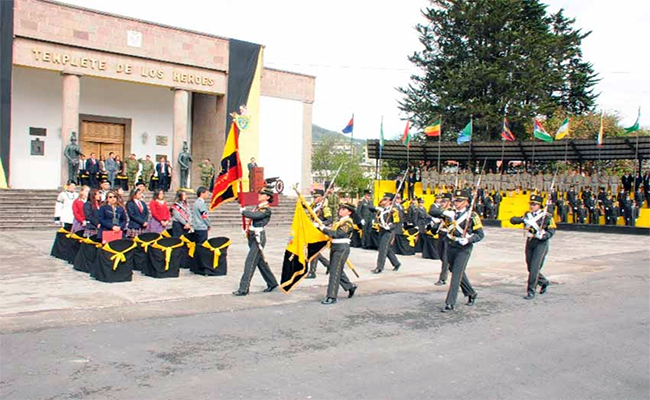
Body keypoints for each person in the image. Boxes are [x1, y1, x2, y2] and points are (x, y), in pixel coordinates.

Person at [431, 189, 483, 312]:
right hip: (450, 244)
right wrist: (444, 212)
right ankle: (471, 293)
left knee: (456, 275)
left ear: (467, 202)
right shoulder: (449, 212)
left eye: (460, 201)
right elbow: (432, 211)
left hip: (463, 247)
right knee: (455, 271)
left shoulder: (472, 216)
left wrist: (469, 239)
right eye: (455, 200)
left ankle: (450, 302)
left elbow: (480, 234)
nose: (456, 203)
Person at [233, 187, 279, 296]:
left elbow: (256, 216)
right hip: (252, 235)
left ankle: (243, 288)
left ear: (267, 197)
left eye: (262, 194)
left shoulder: (266, 209)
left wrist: (244, 212)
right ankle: (272, 283)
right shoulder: (258, 207)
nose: (259, 195)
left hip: (259, 237)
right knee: (260, 262)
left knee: (250, 261)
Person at [510, 194, 556, 300]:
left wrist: (544, 235)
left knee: (535, 267)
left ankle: (531, 290)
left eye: (534, 204)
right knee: (530, 267)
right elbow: (513, 220)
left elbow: (552, 230)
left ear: (540, 205)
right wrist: (522, 220)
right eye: (531, 204)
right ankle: (543, 282)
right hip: (530, 241)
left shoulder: (546, 216)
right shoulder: (527, 215)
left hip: (541, 243)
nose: (532, 206)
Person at [319, 203, 359, 305]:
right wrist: (321, 226)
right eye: (340, 208)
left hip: (342, 248)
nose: (340, 210)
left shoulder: (348, 222)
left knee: (334, 272)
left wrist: (323, 229)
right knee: (336, 270)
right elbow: (332, 231)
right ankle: (350, 286)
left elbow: (337, 234)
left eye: (344, 209)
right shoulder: (339, 221)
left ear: (349, 212)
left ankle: (331, 296)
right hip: (334, 247)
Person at [372, 193, 401, 274]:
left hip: (388, 231)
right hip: (381, 230)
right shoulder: (382, 210)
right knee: (386, 249)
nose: (383, 201)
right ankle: (396, 263)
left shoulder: (393, 210)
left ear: (390, 201)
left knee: (382, 249)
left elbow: (396, 222)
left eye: (385, 200)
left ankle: (379, 267)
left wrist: (389, 226)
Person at [307, 189, 332, 279]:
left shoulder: (325, 208)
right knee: (315, 251)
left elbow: (329, 220)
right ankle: (328, 264)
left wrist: (319, 223)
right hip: (312, 230)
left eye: (316, 197)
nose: (314, 199)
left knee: (314, 250)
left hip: (319, 231)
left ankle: (312, 272)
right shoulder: (314, 206)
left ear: (321, 197)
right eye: (313, 197)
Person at [431, 192, 452, 285]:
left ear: (449, 202)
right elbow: (432, 211)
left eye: (444, 202)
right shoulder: (442, 211)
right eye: (441, 201)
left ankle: (442, 278)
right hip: (441, 234)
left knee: (445, 257)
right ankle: (449, 268)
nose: (442, 203)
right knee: (440, 255)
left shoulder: (452, 211)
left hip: (448, 236)